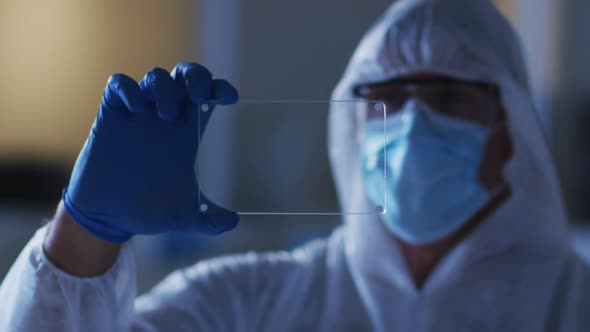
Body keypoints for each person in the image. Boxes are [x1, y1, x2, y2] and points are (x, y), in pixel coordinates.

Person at [1, 0, 589, 330]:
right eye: (389, 97)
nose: (412, 123)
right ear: (353, 127)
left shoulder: (574, 304)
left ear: (512, 134)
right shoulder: (251, 301)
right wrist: (82, 237)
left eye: (449, 97)